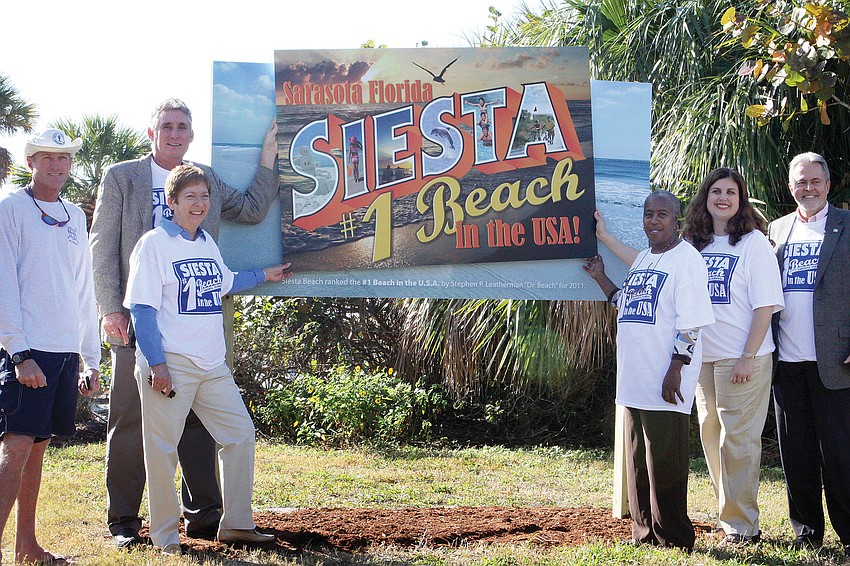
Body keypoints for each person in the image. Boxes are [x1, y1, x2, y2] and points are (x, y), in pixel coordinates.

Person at [89, 98, 280, 548]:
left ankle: (204, 517)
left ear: (191, 135)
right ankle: (125, 522)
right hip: (139, 321)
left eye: (182, 127)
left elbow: (251, 208)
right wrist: (110, 308)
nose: (175, 134)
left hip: (196, 329)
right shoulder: (122, 177)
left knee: (198, 426)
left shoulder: (205, 180)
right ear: (151, 132)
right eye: (167, 126)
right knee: (133, 423)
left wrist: (268, 158)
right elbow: (101, 244)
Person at [124, 164, 290, 555]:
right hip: (171, 363)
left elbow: (225, 281)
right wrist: (157, 364)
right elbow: (142, 310)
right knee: (162, 450)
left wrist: (265, 273)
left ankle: (236, 525)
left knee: (239, 435)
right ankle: (166, 539)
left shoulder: (206, 244)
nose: (199, 204)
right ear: (172, 202)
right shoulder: (153, 244)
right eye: (190, 197)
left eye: (204, 196)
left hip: (212, 366)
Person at [584, 190, 714, 551]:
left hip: (665, 379)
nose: (653, 221)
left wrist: (676, 369)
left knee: (666, 463)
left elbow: (692, 324)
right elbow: (626, 303)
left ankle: (673, 536)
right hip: (634, 378)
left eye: (661, 215)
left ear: (677, 220)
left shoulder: (687, 260)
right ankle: (644, 533)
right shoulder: (643, 258)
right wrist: (600, 277)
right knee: (638, 461)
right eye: (648, 214)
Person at [0, 129, 100, 565]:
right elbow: (3, 282)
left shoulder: (75, 214)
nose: (57, 166)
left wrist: (90, 357)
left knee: (38, 445)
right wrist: (18, 352)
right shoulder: (10, 209)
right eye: (47, 158)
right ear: (31, 163)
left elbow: (84, 287)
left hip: (64, 351)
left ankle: (27, 546)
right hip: (27, 350)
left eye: (64, 159)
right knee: (16, 444)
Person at [682, 168, 784, 544]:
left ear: (740, 200)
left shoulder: (753, 243)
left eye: (731, 192)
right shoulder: (694, 242)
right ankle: (730, 516)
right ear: (705, 198)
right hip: (703, 359)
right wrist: (606, 239)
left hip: (744, 358)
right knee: (711, 438)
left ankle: (742, 527)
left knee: (738, 442)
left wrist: (747, 356)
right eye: (716, 191)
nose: (723, 197)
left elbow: (765, 306)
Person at [768, 152, 850, 556]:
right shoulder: (777, 230)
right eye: (801, 182)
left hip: (836, 362)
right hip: (785, 363)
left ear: (828, 185)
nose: (809, 188)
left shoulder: (848, 226)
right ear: (790, 187)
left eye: (816, 181)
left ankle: (849, 533)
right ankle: (806, 533)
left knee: (840, 453)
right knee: (796, 453)